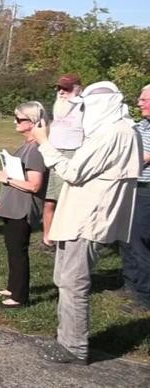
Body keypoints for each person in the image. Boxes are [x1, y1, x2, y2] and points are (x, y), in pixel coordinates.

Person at [32, 81, 142, 365]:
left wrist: (45, 142)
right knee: (64, 279)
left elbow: (72, 171)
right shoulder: (123, 129)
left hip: (88, 216)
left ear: (101, 107)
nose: (84, 113)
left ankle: (74, 347)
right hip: (83, 212)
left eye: (87, 107)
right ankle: (66, 338)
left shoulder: (112, 133)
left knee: (73, 282)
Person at [0, 102, 48, 308]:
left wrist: (6, 180)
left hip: (22, 209)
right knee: (12, 249)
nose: (15, 122)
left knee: (18, 251)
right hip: (13, 205)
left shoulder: (35, 150)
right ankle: (13, 287)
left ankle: (19, 297)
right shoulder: (26, 145)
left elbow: (34, 185)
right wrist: (2, 199)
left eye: (19, 119)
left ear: (32, 122)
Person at [41, 74, 84, 251]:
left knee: (68, 200)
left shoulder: (84, 104)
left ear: (77, 88)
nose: (61, 92)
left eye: (65, 88)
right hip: (53, 150)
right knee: (49, 199)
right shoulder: (58, 104)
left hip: (72, 152)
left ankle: (67, 239)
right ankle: (47, 239)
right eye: (58, 88)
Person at [120, 84, 150, 314]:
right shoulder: (141, 126)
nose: (139, 103)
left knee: (140, 240)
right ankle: (130, 284)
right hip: (131, 185)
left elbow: (141, 157)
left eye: (144, 99)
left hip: (146, 189)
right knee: (125, 236)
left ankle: (144, 295)